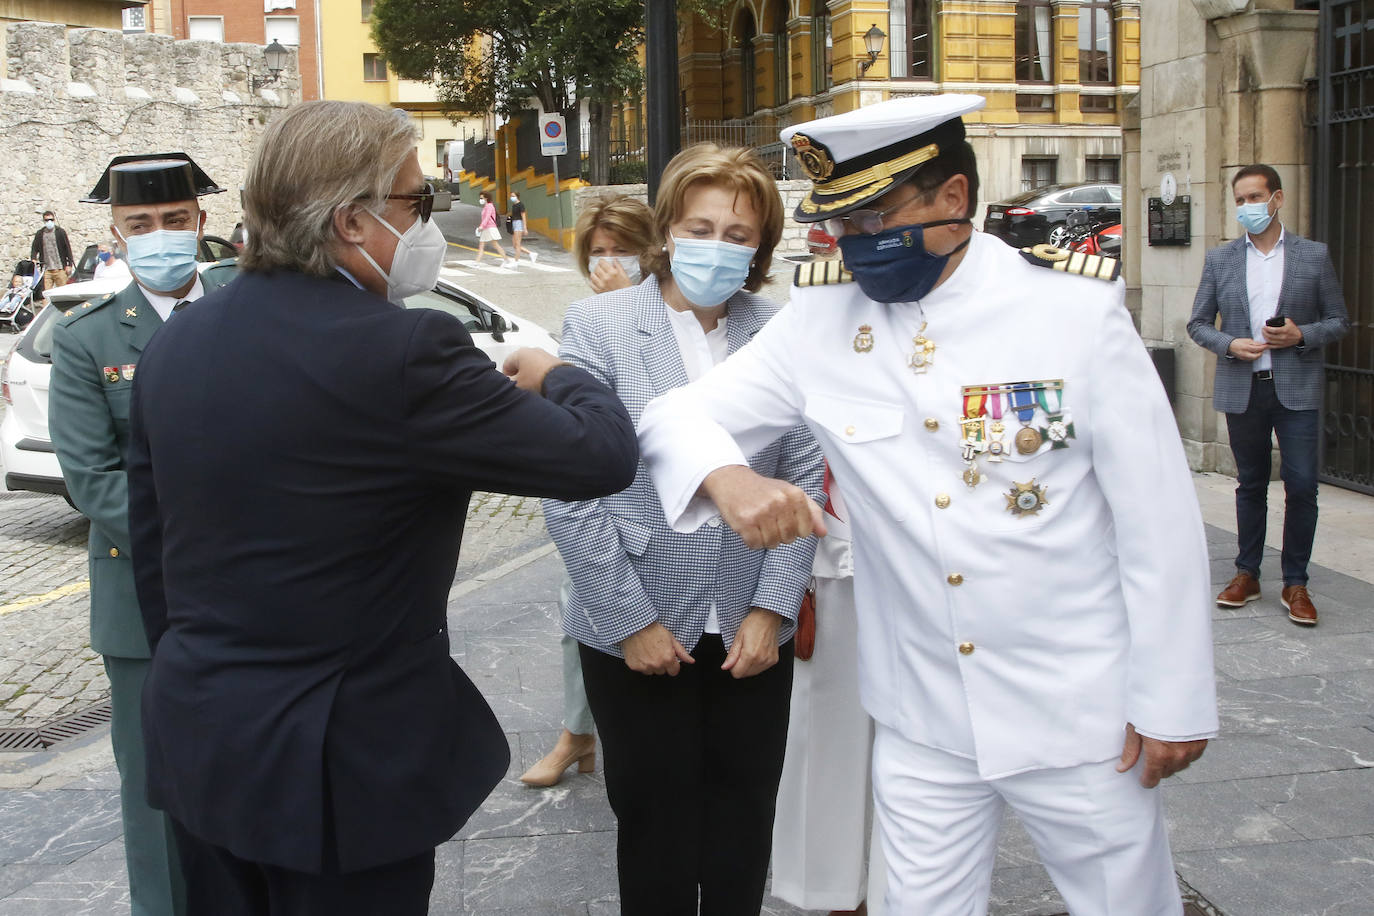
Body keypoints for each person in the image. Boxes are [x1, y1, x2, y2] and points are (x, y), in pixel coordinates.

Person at [636, 95, 1219, 915]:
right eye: (839, 223)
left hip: (1079, 717)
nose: (855, 244)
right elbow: (672, 414)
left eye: (876, 216)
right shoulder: (821, 321)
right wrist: (725, 478)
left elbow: (1157, 522)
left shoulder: (1073, 316)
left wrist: (1174, 698)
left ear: (953, 199)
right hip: (920, 719)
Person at [123, 100, 637, 916]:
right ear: (352, 222)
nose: (427, 222)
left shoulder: (179, 340)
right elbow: (600, 456)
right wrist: (556, 371)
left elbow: (153, 553)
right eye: (416, 202)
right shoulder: (406, 350)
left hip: (203, 738)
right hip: (342, 763)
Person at [543, 143, 825, 916]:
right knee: (656, 828)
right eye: (701, 227)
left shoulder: (781, 327)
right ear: (666, 230)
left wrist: (772, 609)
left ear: (761, 247)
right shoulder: (598, 325)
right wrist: (628, 619)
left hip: (747, 626)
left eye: (739, 234)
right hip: (635, 620)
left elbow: (802, 474)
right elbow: (571, 489)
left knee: (743, 824)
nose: (718, 245)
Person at [48, 152, 238, 916]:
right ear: (117, 234)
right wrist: (207, 547)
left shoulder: (247, 302)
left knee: (254, 763)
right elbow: (91, 478)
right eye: (141, 225)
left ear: (199, 222)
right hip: (142, 600)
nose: (160, 235)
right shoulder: (86, 339)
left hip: (260, 592)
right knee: (157, 782)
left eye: (173, 221)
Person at [521, 194, 657, 789]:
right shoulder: (588, 318)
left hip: (667, 507)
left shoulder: (670, 312)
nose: (608, 262)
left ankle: (590, 734)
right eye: (598, 252)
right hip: (605, 499)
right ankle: (578, 735)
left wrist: (625, 305)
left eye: (622, 250)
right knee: (582, 612)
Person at [1187, 164, 1350, 627]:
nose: (1246, 207)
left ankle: (1295, 582)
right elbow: (1198, 323)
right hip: (1244, 388)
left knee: (1301, 486)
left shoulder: (1312, 256)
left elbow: (1339, 320)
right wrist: (1229, 344)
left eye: (1254, 197)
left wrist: (1300, 336)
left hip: (1296, 388)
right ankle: (1246, 573)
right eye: (1239, 200)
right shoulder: (1221, 260)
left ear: (1276, 199)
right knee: (1251, 485)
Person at [770, 469, 886, 916]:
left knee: (928, 746)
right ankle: (838, 894)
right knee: (828, 730)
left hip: (928, 535)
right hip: (829, 536)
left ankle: (907, 894)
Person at [30, 209, 75, 298]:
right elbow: (34, 247)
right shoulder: (40, 233)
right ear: (44, 221)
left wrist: (69, 264)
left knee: (63, 294)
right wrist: (33, 258)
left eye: (51, 220)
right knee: (46, 294)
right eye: (47, 220)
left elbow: (67, 249)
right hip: (47, 269)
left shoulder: (60, 232)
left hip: (60, 268)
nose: (49, 222)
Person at [474, 190, 515, 268]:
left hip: (489, 228)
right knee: (486, 245)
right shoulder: (487, 206)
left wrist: (481, 226)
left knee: (493, 245)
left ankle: (506, 260)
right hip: (487, 228)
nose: (480, 200)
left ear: (486, 198)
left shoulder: (489, 206)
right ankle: (477, 262)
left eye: (481, 198)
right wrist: (482, 226)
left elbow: (487, 217)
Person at [507, 191, 537, 264]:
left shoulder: (521, 205)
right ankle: (531, 254)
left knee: (517, 244)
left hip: (519, 223)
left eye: (513, 196)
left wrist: (525, 228)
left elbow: (523, 216)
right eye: (511, 196)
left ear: (517, 196)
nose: (512, 197)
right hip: (514, 223)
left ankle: (516, 261)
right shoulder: (514, 205)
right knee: (514, 245)